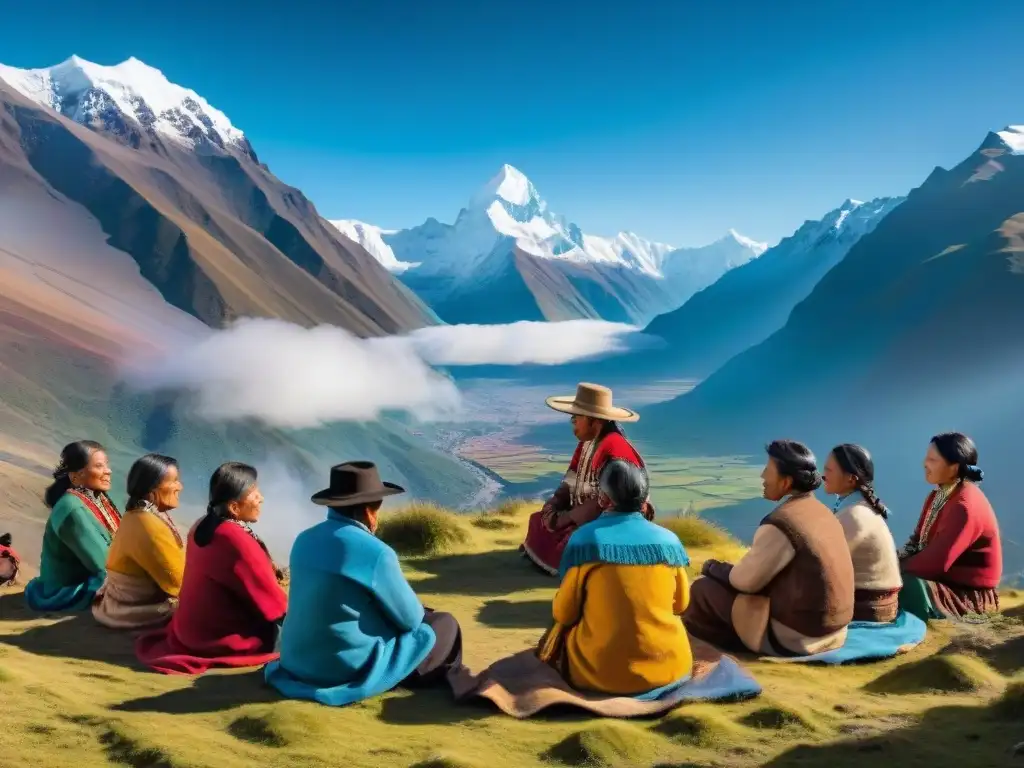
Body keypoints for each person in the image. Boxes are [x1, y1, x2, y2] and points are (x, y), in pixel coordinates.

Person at [265, 461, 463, 706]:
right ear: (370, 511)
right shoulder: (376, 552)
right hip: (341, 669)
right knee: (444, 624)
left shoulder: (303, 540)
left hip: (295, 662)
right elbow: (411, 620)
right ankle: (415, 679)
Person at [683, 440, 855, 656]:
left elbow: (745, 581)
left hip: (798, 636)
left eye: (768, 470)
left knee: (702, 591)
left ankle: (722, 649)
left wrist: (713, 568)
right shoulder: (822, 512)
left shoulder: (782, 523)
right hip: (835, 631)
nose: (763, 477)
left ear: (786, 482)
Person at [540, 458, 692, 696]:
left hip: (599, 674)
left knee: (557, 633)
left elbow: (564, 613)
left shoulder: (586, 539)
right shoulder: (669, 541)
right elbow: (681, 604)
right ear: (644, 500)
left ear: (603, 499)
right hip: (671, 668)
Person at [135, 462, 287, 674]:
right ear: (234, 507)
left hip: (191, 633)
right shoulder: (234, 539)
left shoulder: (203, 525)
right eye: (254, 493)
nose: (261, 498)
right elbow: (275, 605)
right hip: (221, 639)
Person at [521, 383, 654, 575]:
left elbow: (606, 500)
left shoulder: (613, 448)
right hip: (586, 513)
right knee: (538, 520)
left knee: (573, 542)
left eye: (577, 417)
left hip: (614, 518)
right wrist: (555, 503)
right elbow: (571, 478)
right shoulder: (589, 442)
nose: (572, 421)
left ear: (593, 420)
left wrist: (563, 519)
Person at [898, 432, 1002, 621]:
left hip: (963, 594)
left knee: (899, 585)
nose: (924, 464)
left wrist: (894, 569)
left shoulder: (964, 506)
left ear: (954, 468)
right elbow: (917, 540)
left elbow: (935, 563)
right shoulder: (937, 495)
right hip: (940, 579)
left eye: (932, 459)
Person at [24, 440, 122, 612]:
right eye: (99, 466)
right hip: (71, 592)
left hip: (97, 576)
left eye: (107, 465)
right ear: (75, 476)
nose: (108, 471)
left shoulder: (97, 499)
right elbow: (105, 564)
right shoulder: (72, 510)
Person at [92, 454, 186, 629]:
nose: (179, 487)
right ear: (153, 490)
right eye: (174, 481)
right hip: (136, 609)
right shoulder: (148, 524)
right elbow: (178, 584)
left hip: (117, 604)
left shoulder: (139, 515)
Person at [822, 444, 902, 623]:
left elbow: (823, 562)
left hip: (870, 608)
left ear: (851, 478)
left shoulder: (854, 514)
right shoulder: (854, 507)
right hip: (875, 602)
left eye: (829, 470)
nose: (823, 475)